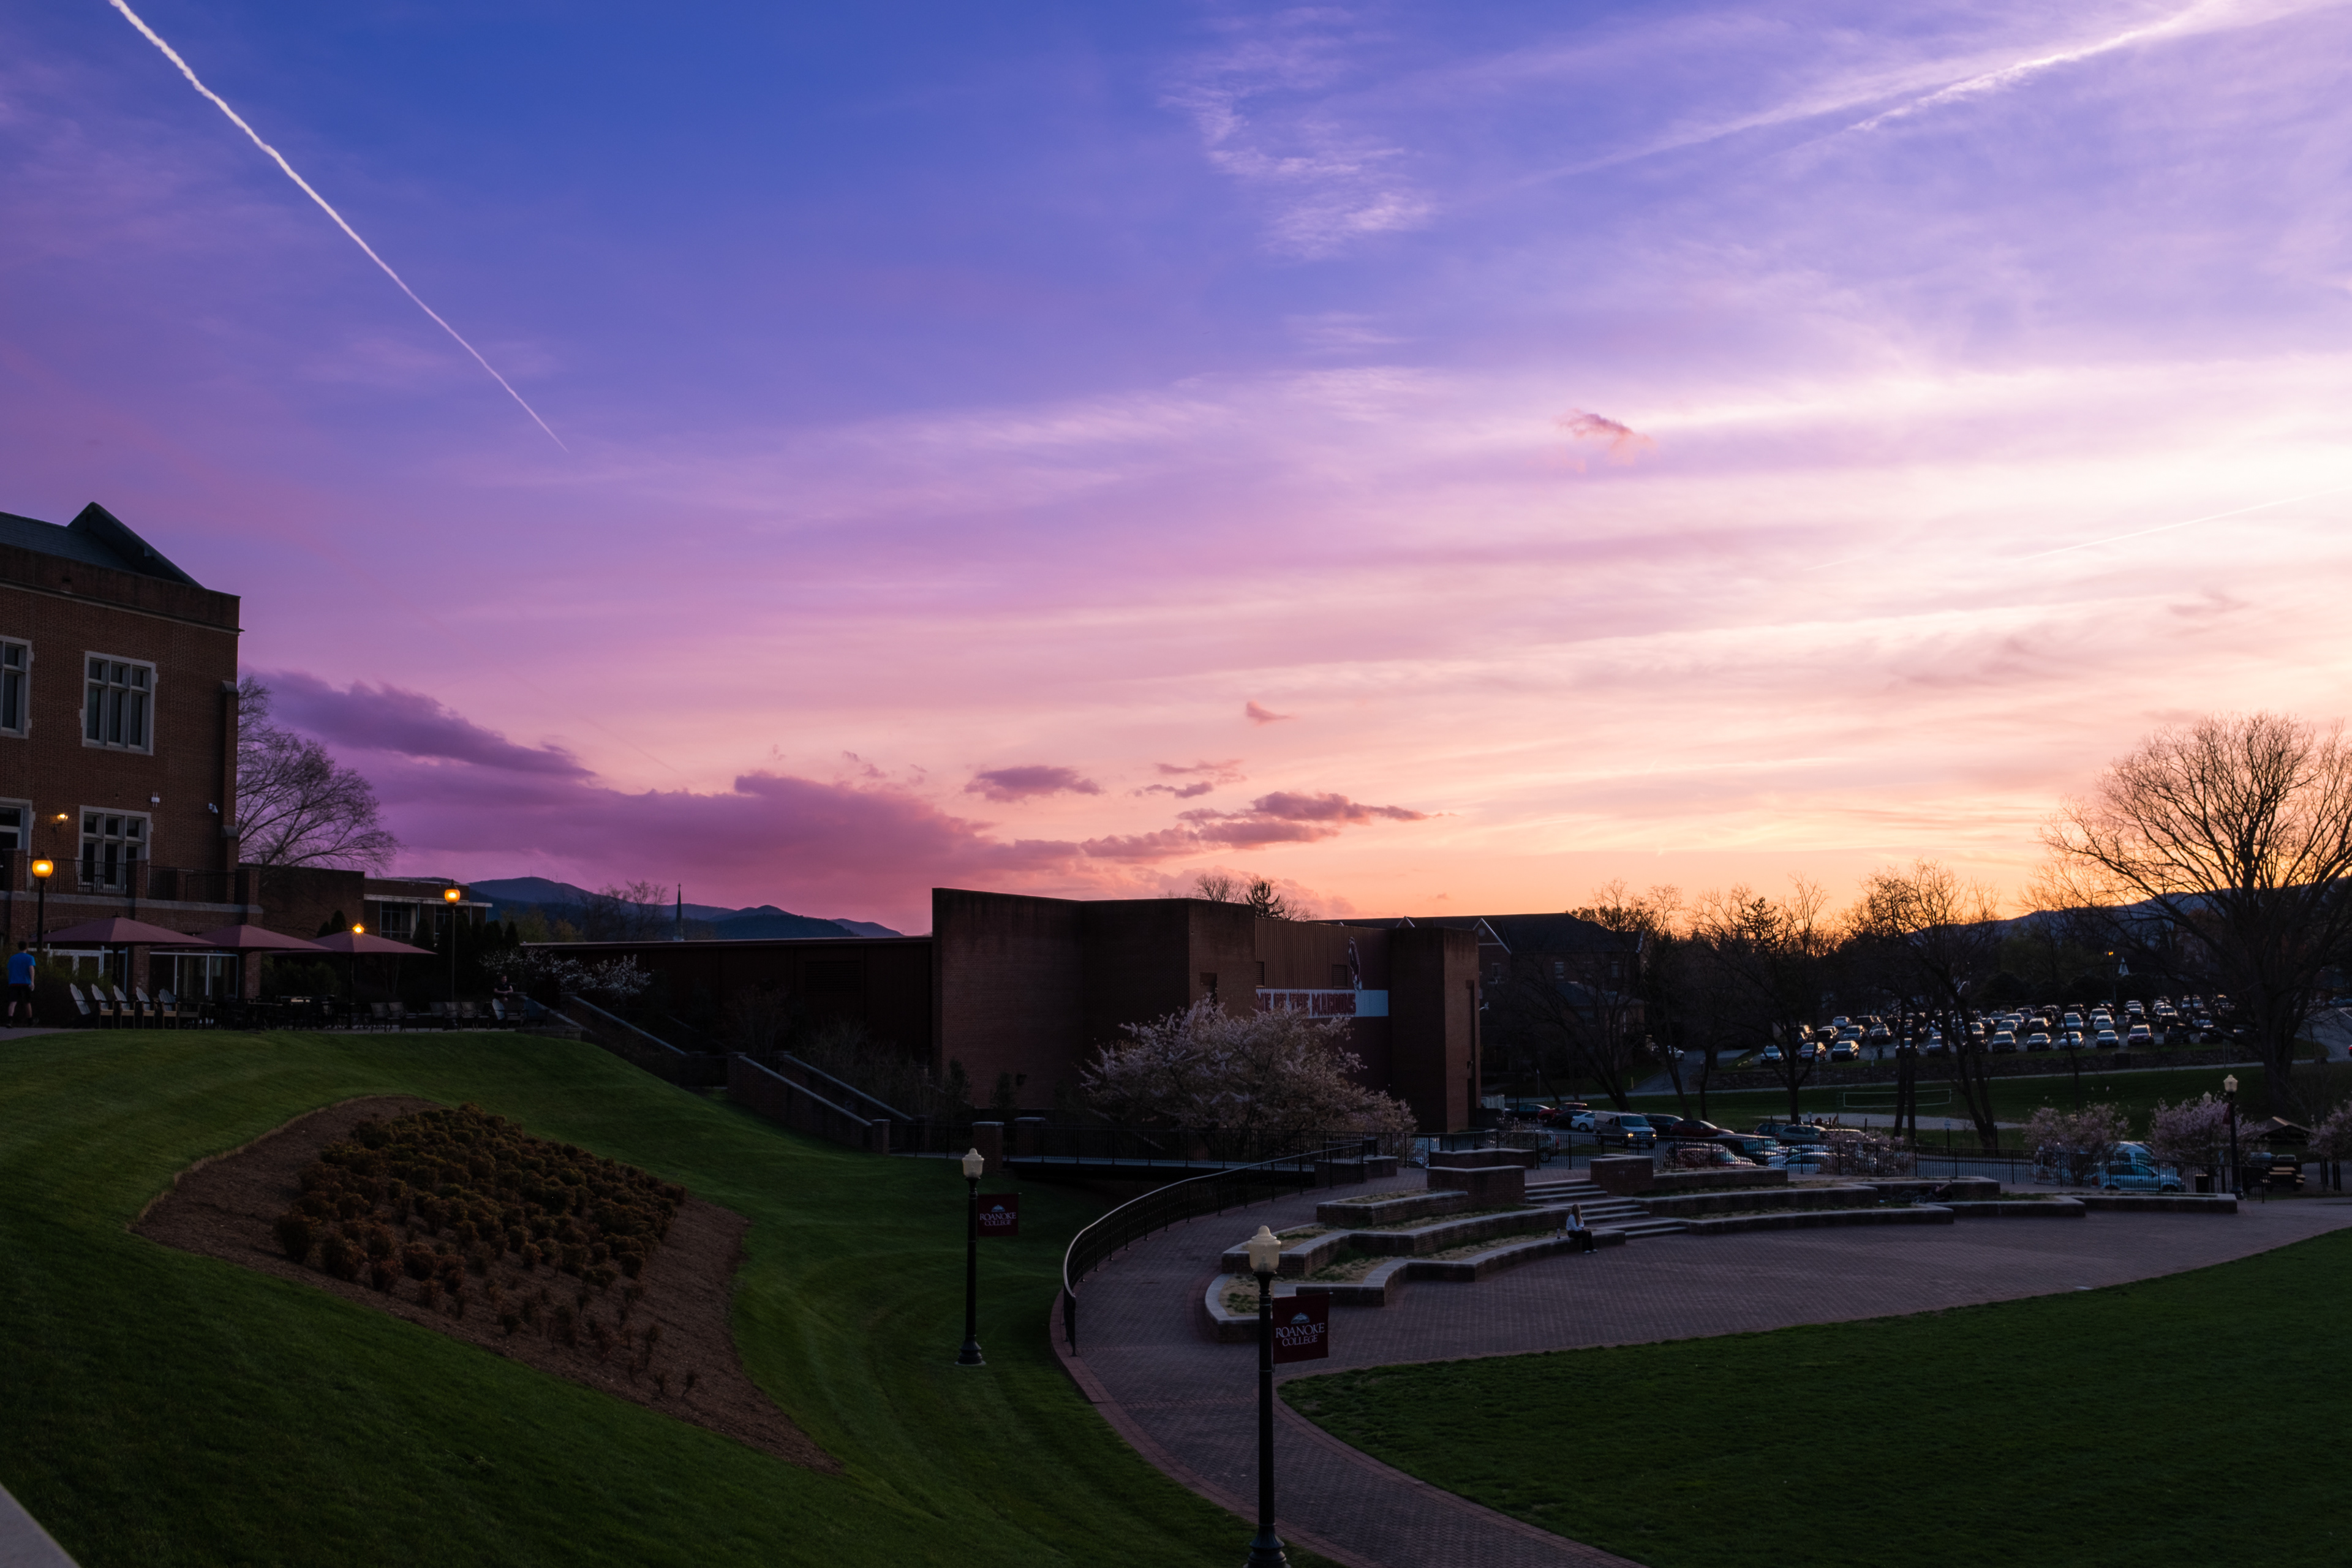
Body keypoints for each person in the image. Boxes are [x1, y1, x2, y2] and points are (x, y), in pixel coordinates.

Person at [6, 942, 36, 1025]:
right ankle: (30, 1020)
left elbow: (10, 970)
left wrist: (10, 981)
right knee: (27, 1002)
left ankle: (10, 1020)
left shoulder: (12, 958)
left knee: (13, 1002)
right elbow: (31, 969)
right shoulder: (30, 958)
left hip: (14, 983)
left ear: (18, 947)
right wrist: (32, 982)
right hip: (25, 983)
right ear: (27, 947)